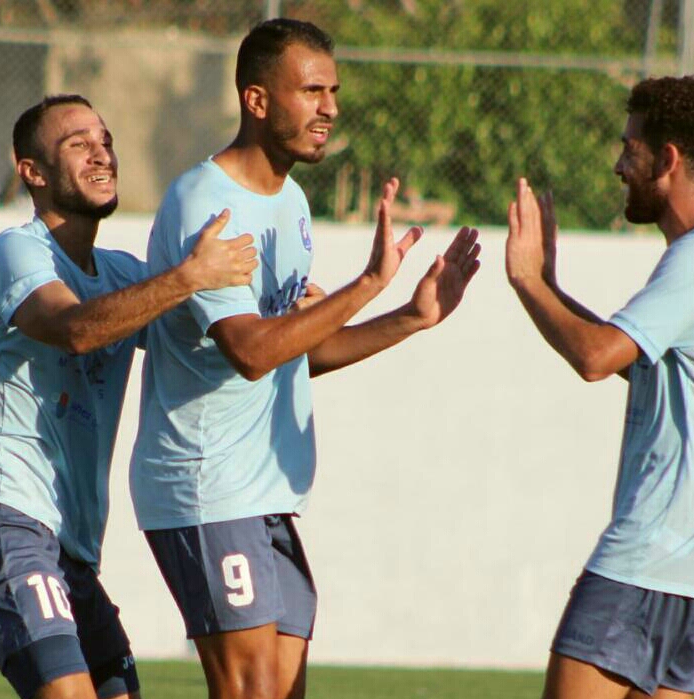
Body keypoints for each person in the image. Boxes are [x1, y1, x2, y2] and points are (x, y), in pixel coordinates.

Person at [128, 18, 481, 699]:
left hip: (266, 493)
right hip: (207, 483)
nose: (330, 108)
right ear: (257, 100)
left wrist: (409, 317)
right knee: (252, 690)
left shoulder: (290, 201)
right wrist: (367, 283)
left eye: (333, 91)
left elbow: (295, 353)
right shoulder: (206, 202)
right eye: (312, 91)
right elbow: (250, 351)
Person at [0, 94, 257, 699]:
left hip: (71, 553)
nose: (101, 154)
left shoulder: (124, 275)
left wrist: (363, 306)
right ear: (32, 172)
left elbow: (230, 349)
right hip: (0, 516)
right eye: (78, 144)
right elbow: (75, 329)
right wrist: (188, 275)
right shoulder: (15, 251)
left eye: (105, 141)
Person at [505, 75, 694, 699]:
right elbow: (643, 361)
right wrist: (552, 286)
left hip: (647, 559)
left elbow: (597, 358)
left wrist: (528, 282)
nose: (619, 166)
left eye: (630, 149)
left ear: (668, 159)